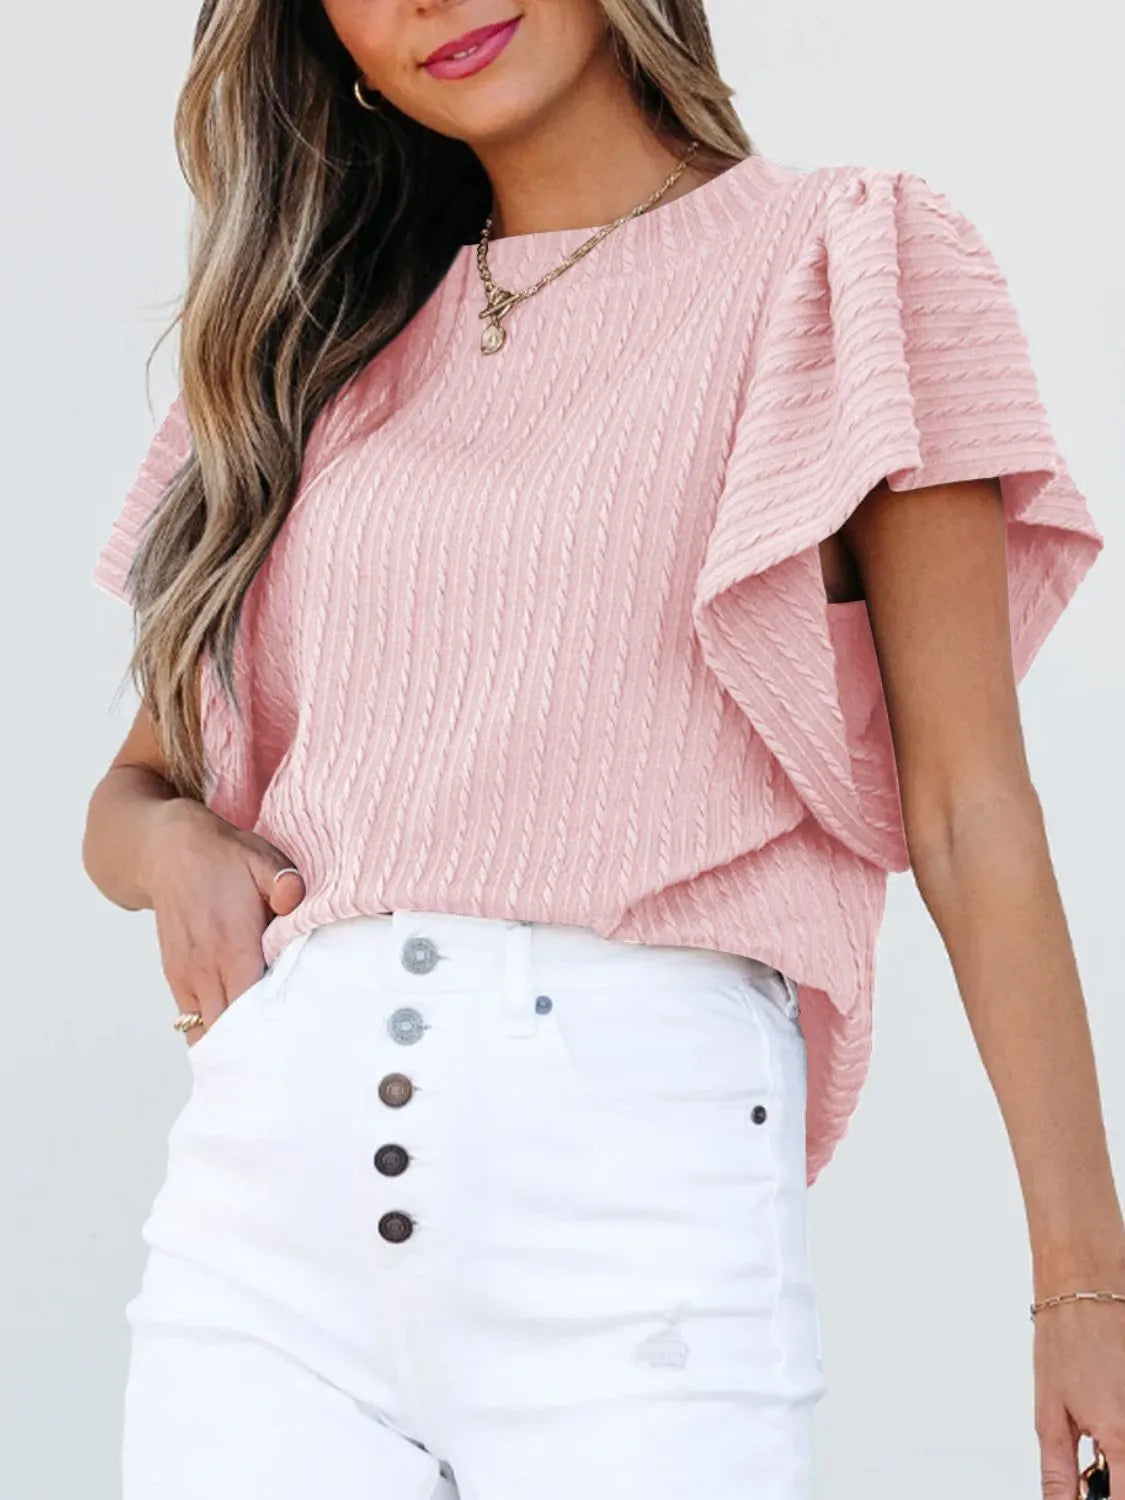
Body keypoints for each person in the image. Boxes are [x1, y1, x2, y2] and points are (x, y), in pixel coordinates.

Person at [82, 2, 1121, 1497]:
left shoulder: (840, 265)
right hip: (259, 1241)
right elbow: (131, 792)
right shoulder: (306, 345)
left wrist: (1085, 1285)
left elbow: (971, 810)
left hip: (635, 1228)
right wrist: (175, 848)